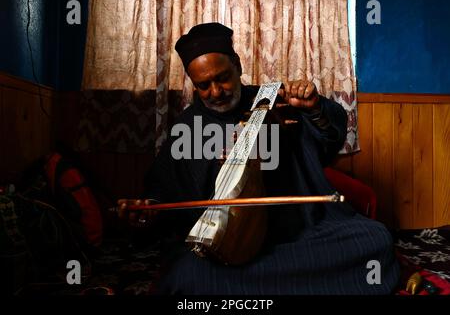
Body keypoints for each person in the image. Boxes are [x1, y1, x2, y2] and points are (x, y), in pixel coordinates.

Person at [121, 22, 400, 294]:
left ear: (237, 66)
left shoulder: (272, 99)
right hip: (234, 244)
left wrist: (314, 109)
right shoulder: (188, 126)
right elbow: (162, 191)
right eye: (203, 85)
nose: (215, 92)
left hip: (298, 232)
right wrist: (150, 210)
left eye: (223, 78)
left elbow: (327, 142)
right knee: (187, 274)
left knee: (376, 240)